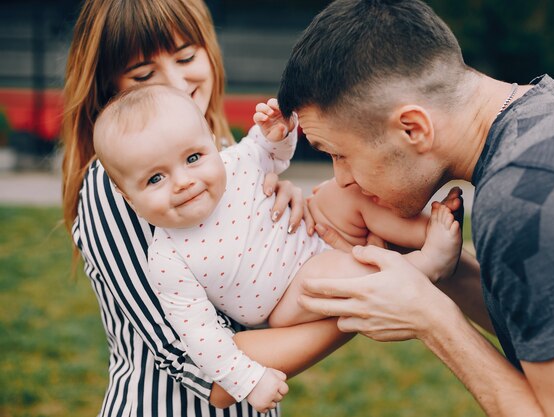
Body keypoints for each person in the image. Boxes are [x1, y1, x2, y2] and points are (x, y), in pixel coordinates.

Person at [277, 0, 554, 416]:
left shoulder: (526, 201)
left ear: (413, 128)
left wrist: (432, 320)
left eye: (338, 154)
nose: (342, 180)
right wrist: (439, 268)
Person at [61, 0, 359, 415]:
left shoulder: (217, 156)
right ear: (109, 85)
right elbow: (208, 373)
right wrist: (363, 307)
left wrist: (280, 219)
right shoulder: (113, 189)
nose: (174, 83)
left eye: (186, 57)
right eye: (143, 74)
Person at [92, 84, 465, 411]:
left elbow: (270, 153)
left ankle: (423, 232)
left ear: (211, 143)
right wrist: (248, 381)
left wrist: (277, 134)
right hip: (289, 296)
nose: (183, 182)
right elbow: (201, 335)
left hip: (312, 228)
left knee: (343, 193)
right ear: (128, 197)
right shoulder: (167, 258)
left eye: (193, 158)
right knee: (332, 275)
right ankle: (425, 266)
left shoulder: (234, 163)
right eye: (156, 178)